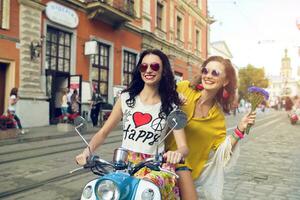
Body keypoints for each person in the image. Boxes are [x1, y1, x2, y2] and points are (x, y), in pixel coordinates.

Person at [76, 49, 189, 199]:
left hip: (154, 166)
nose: (148, 70)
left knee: (148, 189)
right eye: (144, 66)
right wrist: (86, 152)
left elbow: (184, 146)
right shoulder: (126, 99)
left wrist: (177, 154)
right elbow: (103, 132)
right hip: (124, 164)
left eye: (154, 67)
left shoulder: (170, 105)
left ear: (163, 72)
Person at [166, 56, 257, 200]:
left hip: (185, 174)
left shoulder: (217, 118)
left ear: (225, 81)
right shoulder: (184, 88)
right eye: (205, 71)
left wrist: (240, 128)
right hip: (159, 160)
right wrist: (172, 95)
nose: (208, 76)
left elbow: (223, 152)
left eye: (215, 73)